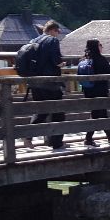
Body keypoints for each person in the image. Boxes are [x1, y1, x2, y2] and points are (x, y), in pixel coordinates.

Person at [28, 20, 67, 150]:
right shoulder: (52, 40)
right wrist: (62, 64)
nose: (57, 35)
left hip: (34, 82)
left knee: (41, 111)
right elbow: (56, 60)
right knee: (58, 112)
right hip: (50, 83)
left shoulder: (34, 40)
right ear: (51, 30)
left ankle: (28, 136)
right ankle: (56, 142)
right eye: (57, 31)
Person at [79, 39, 110, 147]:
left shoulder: (83, 60)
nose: (102, 47)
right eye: (100, 45)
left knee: (100, 113)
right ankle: (88, 139)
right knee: (97, 114)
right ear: (96, 47)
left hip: (88, 91)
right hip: (100, 91)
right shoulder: (100, 59)